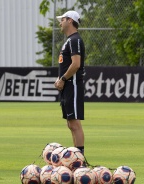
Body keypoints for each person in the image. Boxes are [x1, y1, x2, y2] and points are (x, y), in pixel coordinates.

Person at [54, 11, 86, 155]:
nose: (60, 23)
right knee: (70, 123)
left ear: (69, 20)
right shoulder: (69, 40)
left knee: (75, 123)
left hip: (72, 85)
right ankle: (75, 158)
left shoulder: (75, 40)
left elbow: (76, 64)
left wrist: (63, 79)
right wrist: (60, 79)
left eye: (62, 20)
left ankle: (80, 159)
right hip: (67, 87)